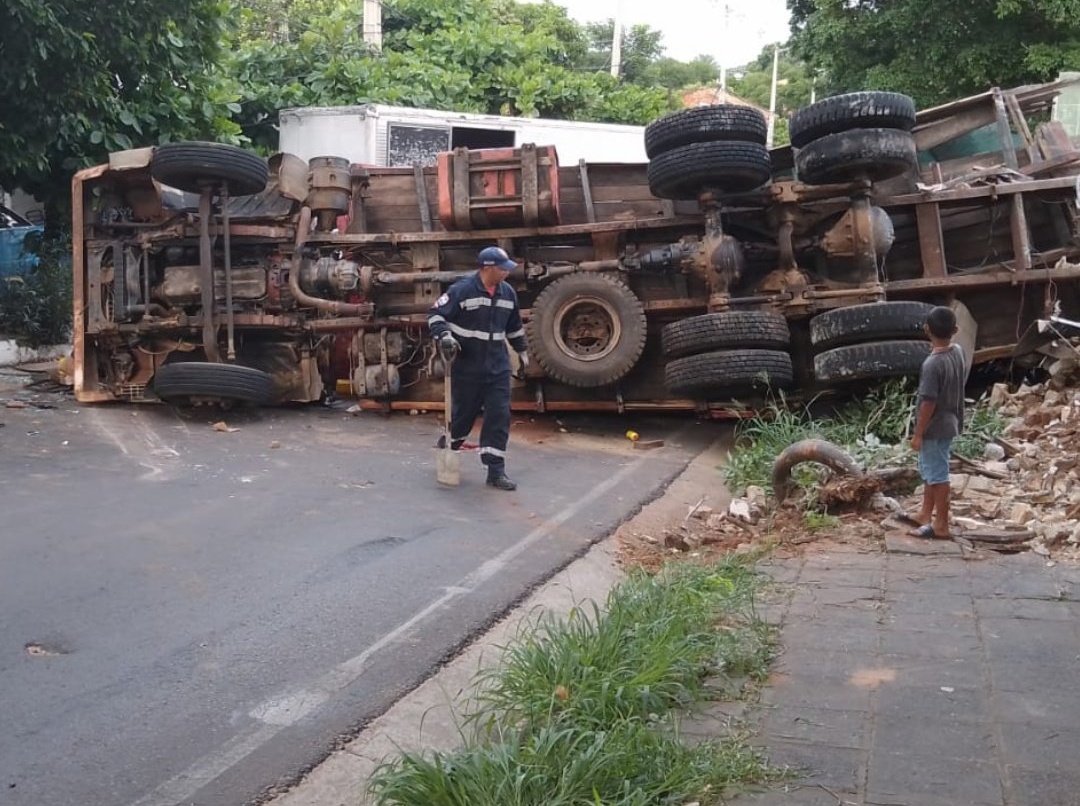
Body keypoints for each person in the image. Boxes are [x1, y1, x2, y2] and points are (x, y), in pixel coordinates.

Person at [427, 246, 529, 491]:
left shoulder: (508, 294)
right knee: (463, 416)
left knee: (499, 415)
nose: (506, 273)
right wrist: (445, 337)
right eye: (503, 269)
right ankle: (448, 449)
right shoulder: (462, 290)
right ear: (488, 268)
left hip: (498, 365)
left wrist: (522, 352)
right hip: (467, 365)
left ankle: (496, 471)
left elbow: (514, 327)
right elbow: (435, 316)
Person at [909, 305, 967, 539]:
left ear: (926, 329)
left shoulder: (932, 365)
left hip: (935, 427)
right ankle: (925, 513)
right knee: (930, 469)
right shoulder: (959, 352)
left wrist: (918, 433)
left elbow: (928, 403)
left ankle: (941, 525)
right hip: (951, 420)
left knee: (938, 475)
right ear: (955, 329)